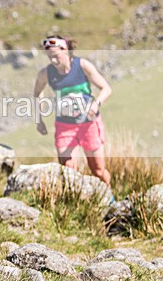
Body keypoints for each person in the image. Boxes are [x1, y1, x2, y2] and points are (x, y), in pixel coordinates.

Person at [33, 35, 112, 185]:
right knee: (68, 169)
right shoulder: (46, 73)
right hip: (65, 126)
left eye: (56, 56)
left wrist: (95, 105)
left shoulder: (82, 65)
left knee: (98, 170)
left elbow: (106, 88)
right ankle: (76, 202)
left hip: (89, 124)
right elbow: (37, 94)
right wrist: (39, 119)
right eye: (49, 57)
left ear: (66, 50)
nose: (53, 61)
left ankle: (110, 198)